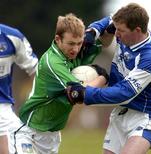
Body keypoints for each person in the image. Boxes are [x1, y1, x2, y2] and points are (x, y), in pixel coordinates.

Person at [66, 3, 151, 154]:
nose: (117, 35)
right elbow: (107, 22)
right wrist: (91, 33)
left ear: (137, 30)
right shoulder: (124, 27)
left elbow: (124, 92)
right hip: (122, 112)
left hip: (147, 117)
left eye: (121, 31)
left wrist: (86, 93)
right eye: (116, 29)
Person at [13, 13, 108, 154]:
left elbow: (105, 38)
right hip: (30, 131)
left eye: (79, 43)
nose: (75, 49)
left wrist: (101, 27)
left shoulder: (73, 53)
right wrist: (103, 77)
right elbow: (79, 95)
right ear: (58, 39)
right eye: (71, 44)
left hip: (52, 134)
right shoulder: (52, 62)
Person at [0, 24, 38, 154]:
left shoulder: (12, 37)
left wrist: (35, 103)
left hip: (3, 108)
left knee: (21, 143)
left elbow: (36, 70)